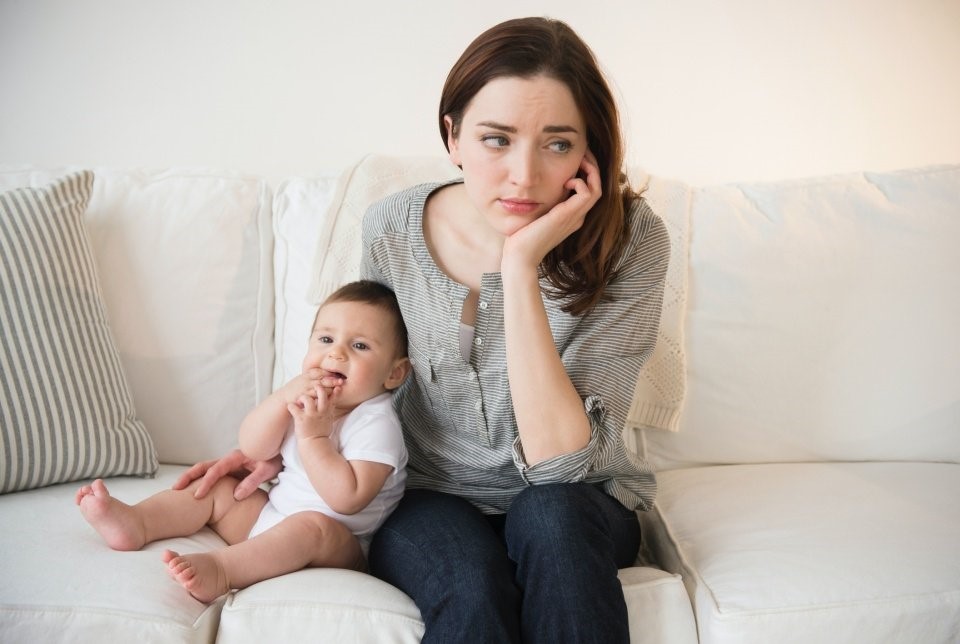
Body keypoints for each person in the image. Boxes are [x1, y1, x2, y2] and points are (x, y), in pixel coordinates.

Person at [175, 16, 670, 642]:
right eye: (496, 139)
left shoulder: (631, 240)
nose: (523, 174)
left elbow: (559, 465)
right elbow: (359, 370)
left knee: (552, 521)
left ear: (589, 151)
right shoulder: (391, 229)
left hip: (578, 499)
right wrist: (275, 447)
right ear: (452, 136)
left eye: (557, 143)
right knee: (469, 581)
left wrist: (518, 265)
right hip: (428, 495)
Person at [76, 280, 411, 603]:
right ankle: (138, 522)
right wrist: (282, 398)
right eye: (325, 339)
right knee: (219, 488)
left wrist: (313, 436)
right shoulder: (305, 397)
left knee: (314, 526)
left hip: (337, 546)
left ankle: (223, 569)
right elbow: (254, 449)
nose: (336, 354)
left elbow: (346, 498)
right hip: (272, 520)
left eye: (360, 346)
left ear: (394, 374)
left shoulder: (377, 423)